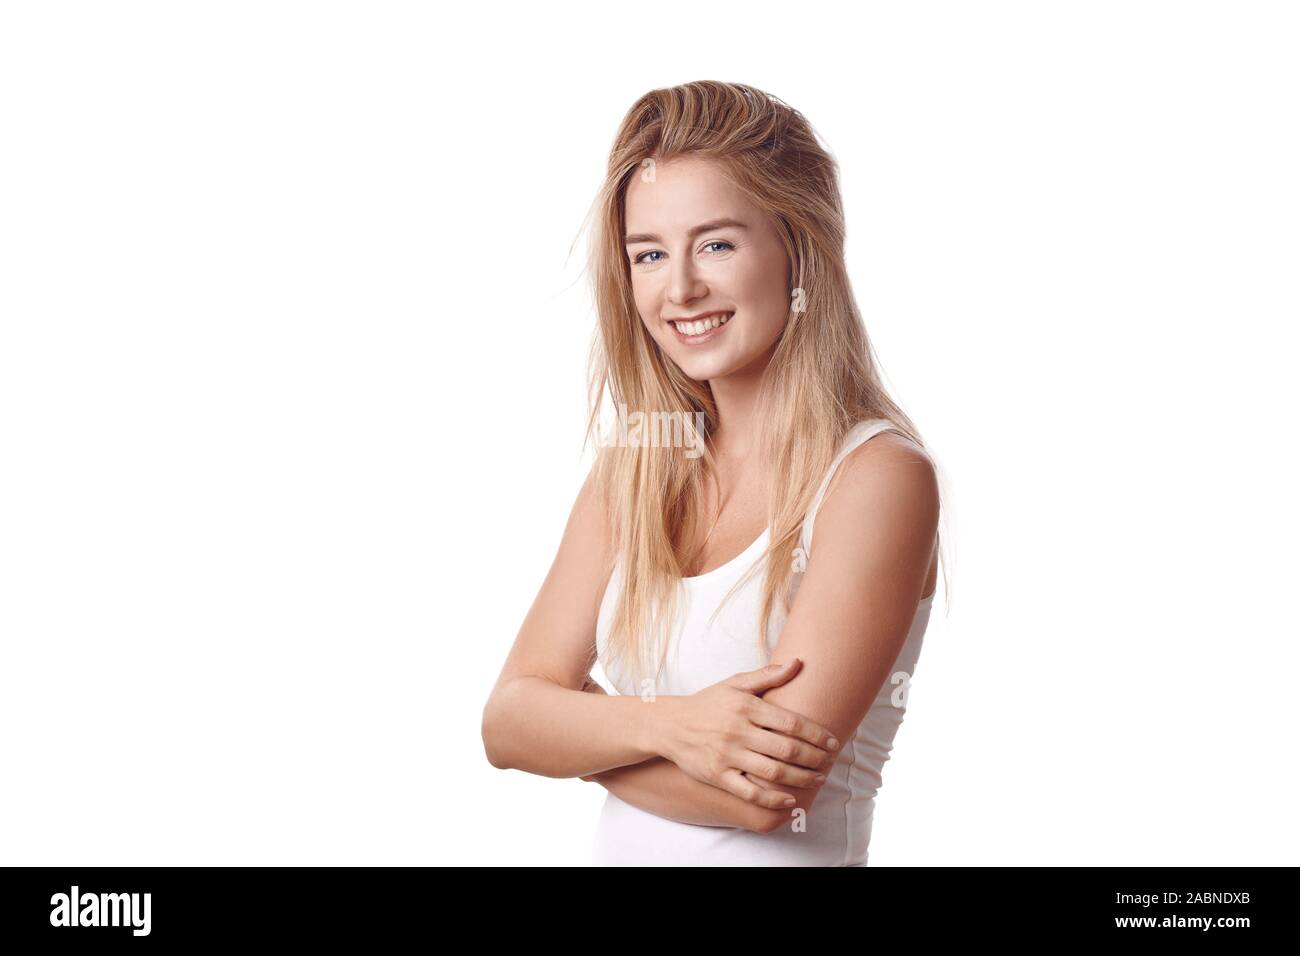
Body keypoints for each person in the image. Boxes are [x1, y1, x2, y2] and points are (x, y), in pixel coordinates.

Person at [482, 80, 946, 866]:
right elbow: (506, 721)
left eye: (718, 244)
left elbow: (761, 797)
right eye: (650, 254)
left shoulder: (876, 478)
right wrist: (670, 725)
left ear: (799, 249)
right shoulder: (637, 462)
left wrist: (576, 728)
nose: (681, 288)